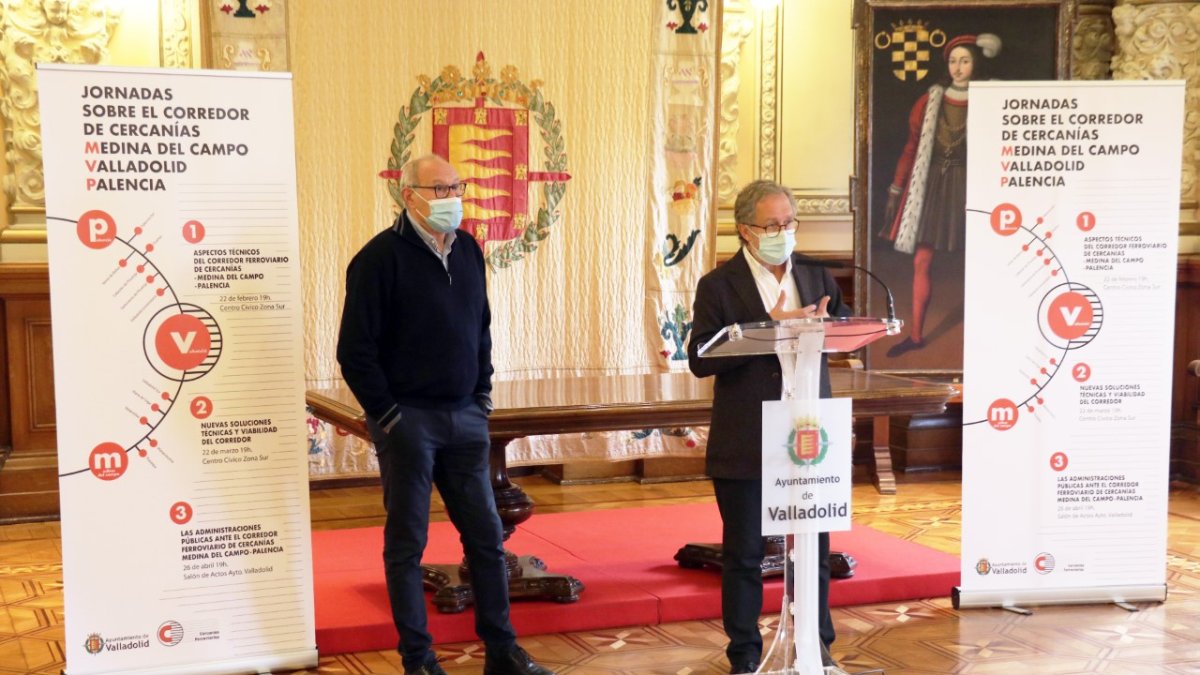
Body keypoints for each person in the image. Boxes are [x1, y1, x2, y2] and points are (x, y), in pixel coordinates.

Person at [337, 154, 554, 675]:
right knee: (407, 544)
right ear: (407, 195)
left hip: (465, 419)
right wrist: (389, 417)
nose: (453, 197)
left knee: (485, 537)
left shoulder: (470, 251)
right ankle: (419, 660)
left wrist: (481, 396)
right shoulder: (378, 259)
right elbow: (355, 352)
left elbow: (481, 330)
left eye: (457, 185)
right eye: (440, 189)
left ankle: (501, 651)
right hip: (409, 422)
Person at [688, 179, 851, 675]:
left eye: (790, 223)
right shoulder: (719, 285)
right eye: (773, 225)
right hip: (747, 438)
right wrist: (770, 329)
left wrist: (828, 328)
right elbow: (700, 358)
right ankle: (744, 655)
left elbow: (846, 331)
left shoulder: (817, 277)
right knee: (744, 552)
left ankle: (817, 648)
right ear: (746, 230)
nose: (784, 233)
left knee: (815, 548)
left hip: (808, 439)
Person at [881, 33, 1001, 357]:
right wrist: (896, 185)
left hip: (972, 185)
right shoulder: (930, 100)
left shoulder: (991, 99)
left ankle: (988, 338)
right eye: (953, 61)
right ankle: (917, 335)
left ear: (975, 63)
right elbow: (910, 147)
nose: (958, 67)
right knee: (922, 260)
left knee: (980, 262)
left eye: (965, 60)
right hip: (933, 184)